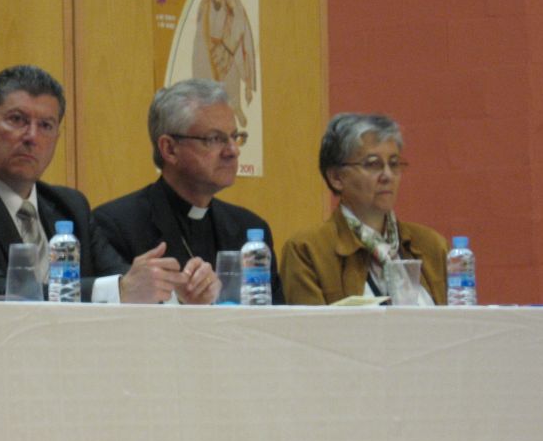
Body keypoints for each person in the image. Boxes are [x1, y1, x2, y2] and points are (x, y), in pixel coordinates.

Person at [0, 64, 218, 304]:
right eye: (17, 120)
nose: (31, 136)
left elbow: (122, 279)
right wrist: (119, 290)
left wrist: (173, 291)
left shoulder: (70, 207)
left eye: (45, 125)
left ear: (57, 137)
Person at [94, 78, 283, 304]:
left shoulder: (249, 230)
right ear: (170, 149)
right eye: (214, 139)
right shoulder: (116, 225)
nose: (232, 151)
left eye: (235, 137)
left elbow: (277, 324)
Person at [280, 112, 447, 305]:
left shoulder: (432, 246)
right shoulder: (307, 250)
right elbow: (309, 332)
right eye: (373, 164)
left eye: (394, 164)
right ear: (336, 177)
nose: (387, 175)